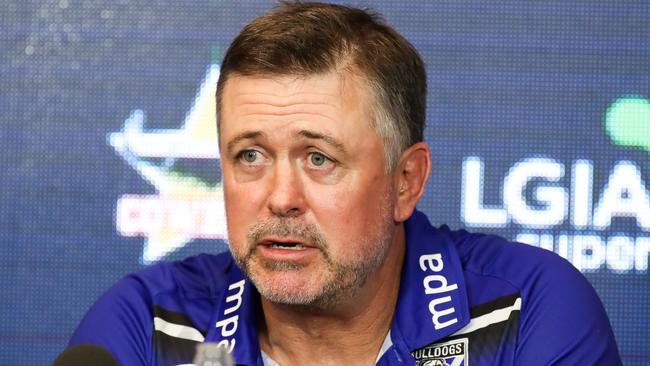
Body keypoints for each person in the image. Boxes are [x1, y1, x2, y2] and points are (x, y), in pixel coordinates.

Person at [66, 2, 622, 365]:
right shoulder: (150, 328)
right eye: (250, 155)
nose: (280, 198)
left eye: (318, 158)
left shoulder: (522, 312)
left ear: (406, 181)